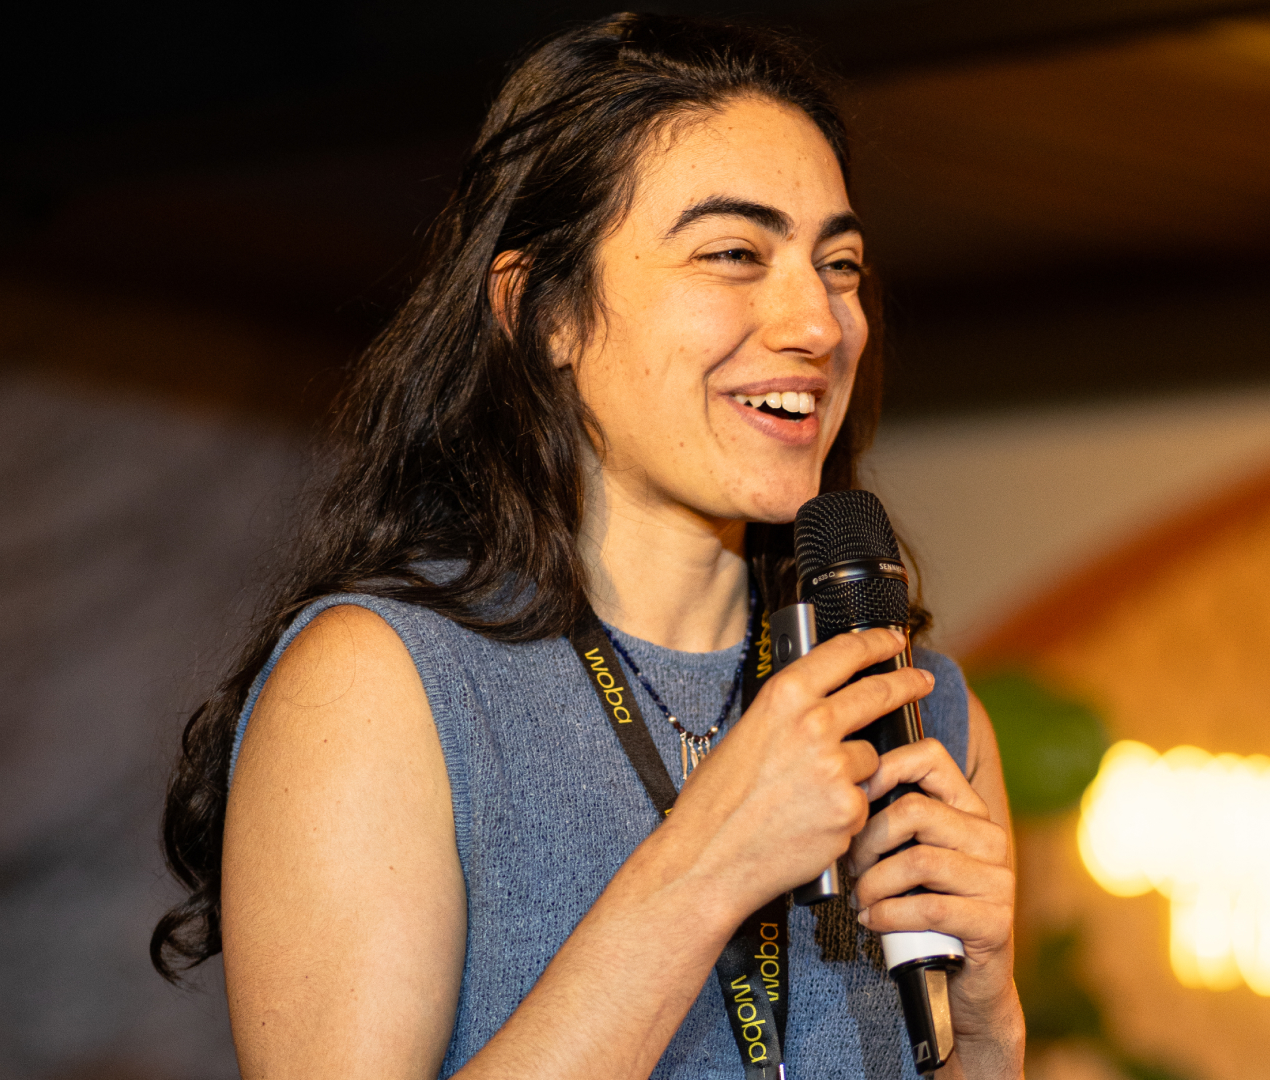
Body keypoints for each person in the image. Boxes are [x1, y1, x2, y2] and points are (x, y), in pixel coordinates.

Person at [153, 13, 1023, 1079]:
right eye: (733, 254)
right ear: (543, 313)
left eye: (838, 264)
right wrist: (702, 871)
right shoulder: (383, 685)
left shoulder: (919, 710)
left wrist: (988, 1024)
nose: (817, 321)